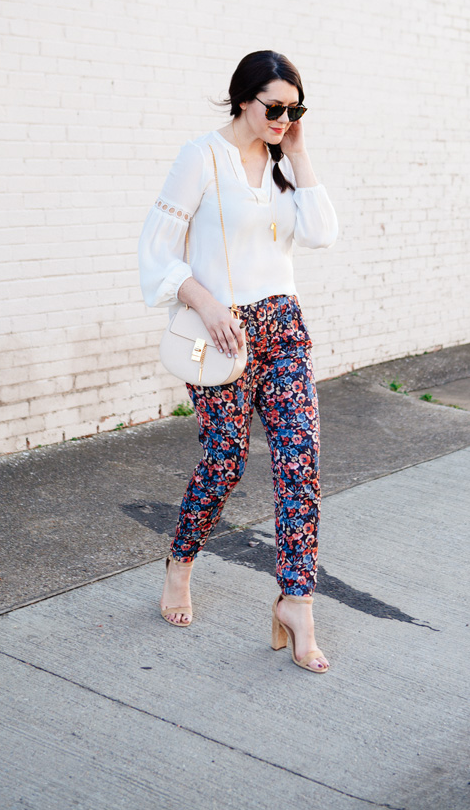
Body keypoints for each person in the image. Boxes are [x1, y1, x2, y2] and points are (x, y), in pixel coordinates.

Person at [138, 50, 338, 673]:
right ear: (242, 99)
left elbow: (322, 232)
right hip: (221, 332)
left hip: (281, 327)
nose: (283, 118)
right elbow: (155, 250)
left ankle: (297, 602)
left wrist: (300, 153)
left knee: (299, 461)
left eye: (293, 108)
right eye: (274, 107)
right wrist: (205, 300)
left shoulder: (284, 163)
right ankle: (181, 560)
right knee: (224, 462)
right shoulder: (201, 157)